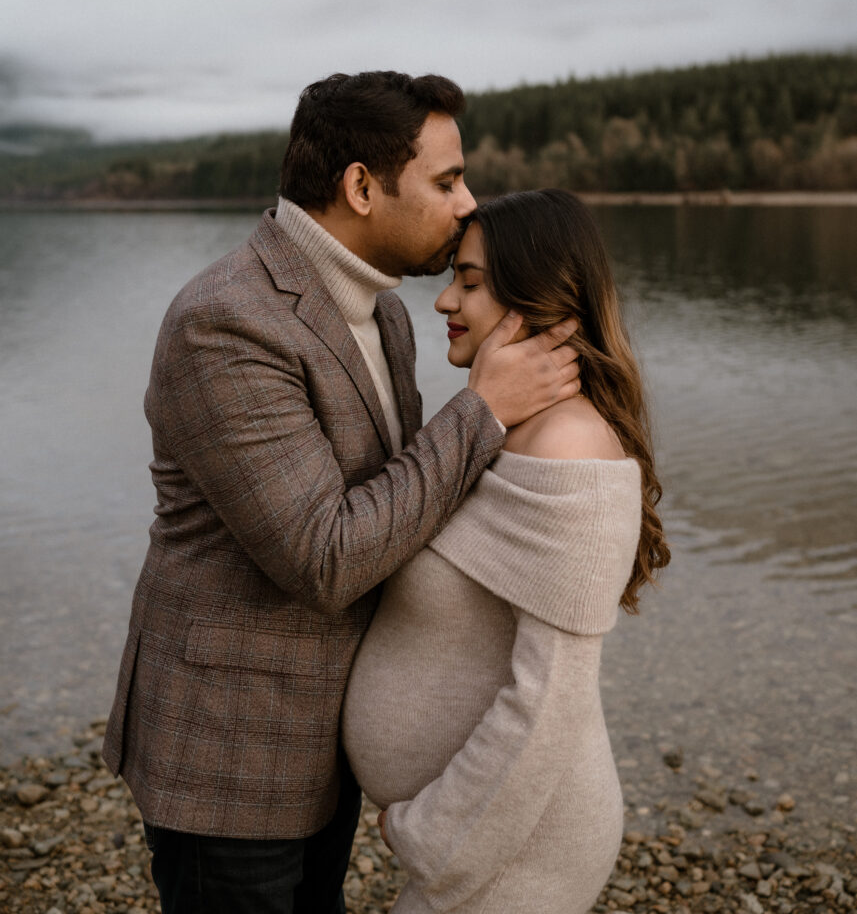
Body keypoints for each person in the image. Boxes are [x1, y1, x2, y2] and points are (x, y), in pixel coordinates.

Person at [101, 72, 581, 914]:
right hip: (230, 757)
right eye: (444, 181)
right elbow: (326, 556)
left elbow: (405, 502)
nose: (469, 204)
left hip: (324, 745)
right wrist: (484, 411)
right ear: (361, 186)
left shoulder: (385, 314)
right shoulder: (226, 322)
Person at [343, 188, 671, 914]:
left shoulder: (569, 447)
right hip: (482, 838)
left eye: (468, 282)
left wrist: (429, 836)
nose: (443, 304)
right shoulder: (499, 430)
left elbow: (550, 698)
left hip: (518, 846)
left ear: (540, 296)